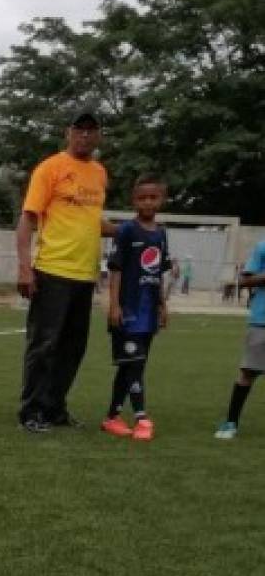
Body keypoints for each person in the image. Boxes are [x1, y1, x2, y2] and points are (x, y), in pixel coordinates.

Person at [16, 111, 114, 432]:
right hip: (52, 270)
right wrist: (24, 267)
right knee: (44, 345)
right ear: (68, 132)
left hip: (85, 275)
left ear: (98, 135)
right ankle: (31, 411)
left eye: (91, 130)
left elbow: (92, 222)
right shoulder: (50, 168)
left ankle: (55, 408)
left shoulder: (99, 173)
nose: (85, 135)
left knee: (73, 348)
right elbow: (28, 219)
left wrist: (131, 232)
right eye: (79, 129)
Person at [100, 176, 172, 442]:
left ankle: (112, 417)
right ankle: (142, 417)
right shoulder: (127, 230)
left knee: (130, 366)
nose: (148, 202)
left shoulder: (161, 233)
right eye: (143, 198)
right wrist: (115, 305)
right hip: (128, 311)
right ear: (134, 200)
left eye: (153, 197)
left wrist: (163, 305)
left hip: (149, 310)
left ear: (161, 200)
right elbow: (115, 270)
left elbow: (158, 273)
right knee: (134, 365)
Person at [214, 241, 265, 440]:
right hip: (262, 321)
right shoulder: (262, 246)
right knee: (247, 373)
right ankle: (231, 423)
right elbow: (244, 281)